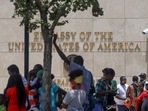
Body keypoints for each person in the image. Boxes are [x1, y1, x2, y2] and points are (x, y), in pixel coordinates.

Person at [53, 34, 94, 111]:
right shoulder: (89, 73)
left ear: (76, 63)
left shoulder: (77, 67)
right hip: (86, 102)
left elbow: (64, 58)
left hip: (78, 103)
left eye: (73, 62)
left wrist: (54, 43)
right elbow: (92, 89)